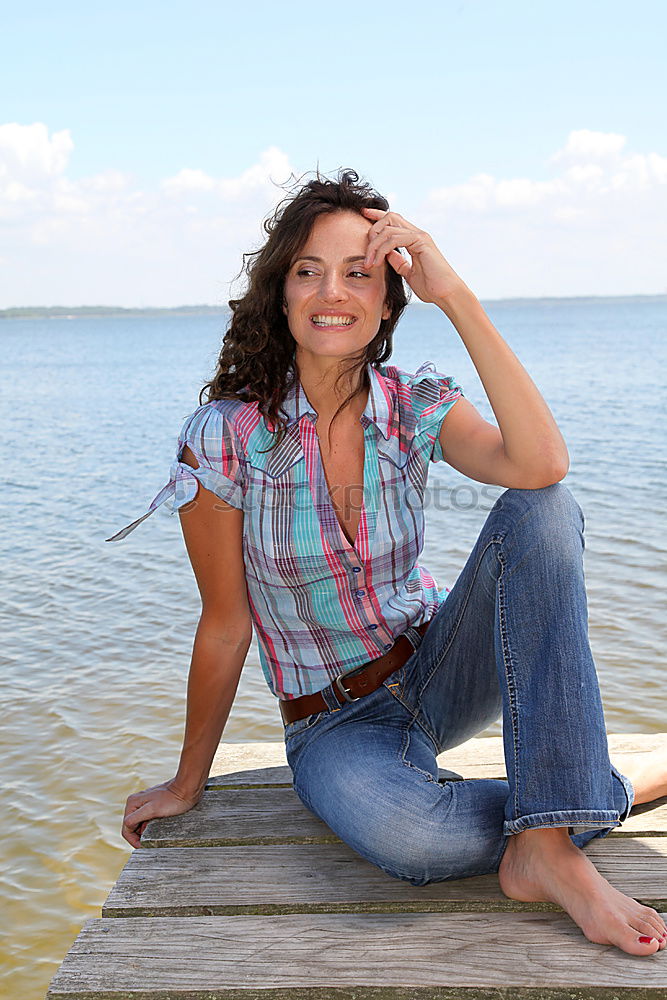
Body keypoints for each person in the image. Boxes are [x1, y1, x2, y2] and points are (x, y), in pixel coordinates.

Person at [107, 168, 667, 956]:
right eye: (308, 271)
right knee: (414, 840)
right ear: (281, 294)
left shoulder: (414, 401)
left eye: (357, 272)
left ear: (386, 299)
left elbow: (542, 465)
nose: (331, 291)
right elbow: (226, 625)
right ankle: (597, 795)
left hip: (440, 668)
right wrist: (186, 781)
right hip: (333, 724)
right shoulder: (222, 437)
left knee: (541, 509)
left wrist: (457, 295)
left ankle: (544, 851)